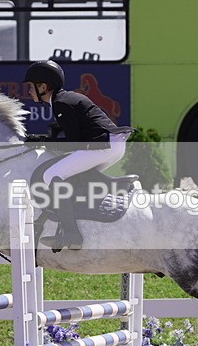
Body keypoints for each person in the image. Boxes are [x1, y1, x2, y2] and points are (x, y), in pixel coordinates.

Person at [23, 60, 133, 250]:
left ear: (43, 86)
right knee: (71, 173)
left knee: (52, 175)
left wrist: (40, 141)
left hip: (103, 146)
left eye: (31, 87)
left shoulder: (60, 103)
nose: (29, 92)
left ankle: (72, 234)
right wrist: (41, 139)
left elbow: (73, 144)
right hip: (110, 145)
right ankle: (112, 185)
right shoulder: (63, 99)